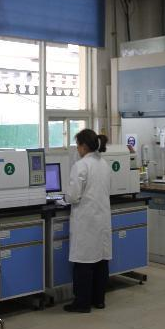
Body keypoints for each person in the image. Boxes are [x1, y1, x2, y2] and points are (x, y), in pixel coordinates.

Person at [64, 129, 112, 313]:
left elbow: (73, 196)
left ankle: (82, 303)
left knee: (83, 263)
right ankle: (99, 300)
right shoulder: (104, 164)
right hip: (102, 218)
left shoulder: (81, 165)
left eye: (77, 145)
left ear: (83, 146)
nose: (77, 149)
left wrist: (65, 197)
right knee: (101, 261)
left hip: (86, 221)